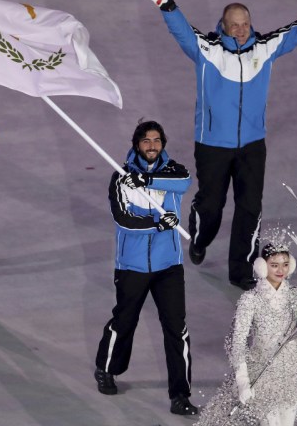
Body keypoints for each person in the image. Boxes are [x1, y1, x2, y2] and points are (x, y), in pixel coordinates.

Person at [146, 0, 297, 290]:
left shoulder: (265, 47)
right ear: (223, 26)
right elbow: (182, 31)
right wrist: (168, 7)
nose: (241, 30)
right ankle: (200, 234)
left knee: (250, 208)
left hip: (252, 146)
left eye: (245, 24)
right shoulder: (207, 50)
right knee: (212, 206)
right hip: (212, 145)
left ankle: (242, 270)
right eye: (234, 25)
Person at [93, 121, 198, 416]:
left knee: (177, 330)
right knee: (124, 320)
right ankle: (106, 368)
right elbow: (122, 220)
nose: (152, 146)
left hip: (169, 267)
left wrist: (147, 182)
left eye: (157, 141)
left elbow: (185, 181)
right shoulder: (119, 177)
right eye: (146, 141)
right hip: (132, 266)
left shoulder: (173, 171)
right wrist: (156, 224)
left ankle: (180, 395)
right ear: (137, 144)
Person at [194, 241, 297, 425]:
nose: (281, 270)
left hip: (293, 369)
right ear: (262, 267)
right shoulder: (250, 300)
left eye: (285, 264)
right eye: (274, 265)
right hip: (262, 369)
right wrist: (243, 381)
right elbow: (238, 342)